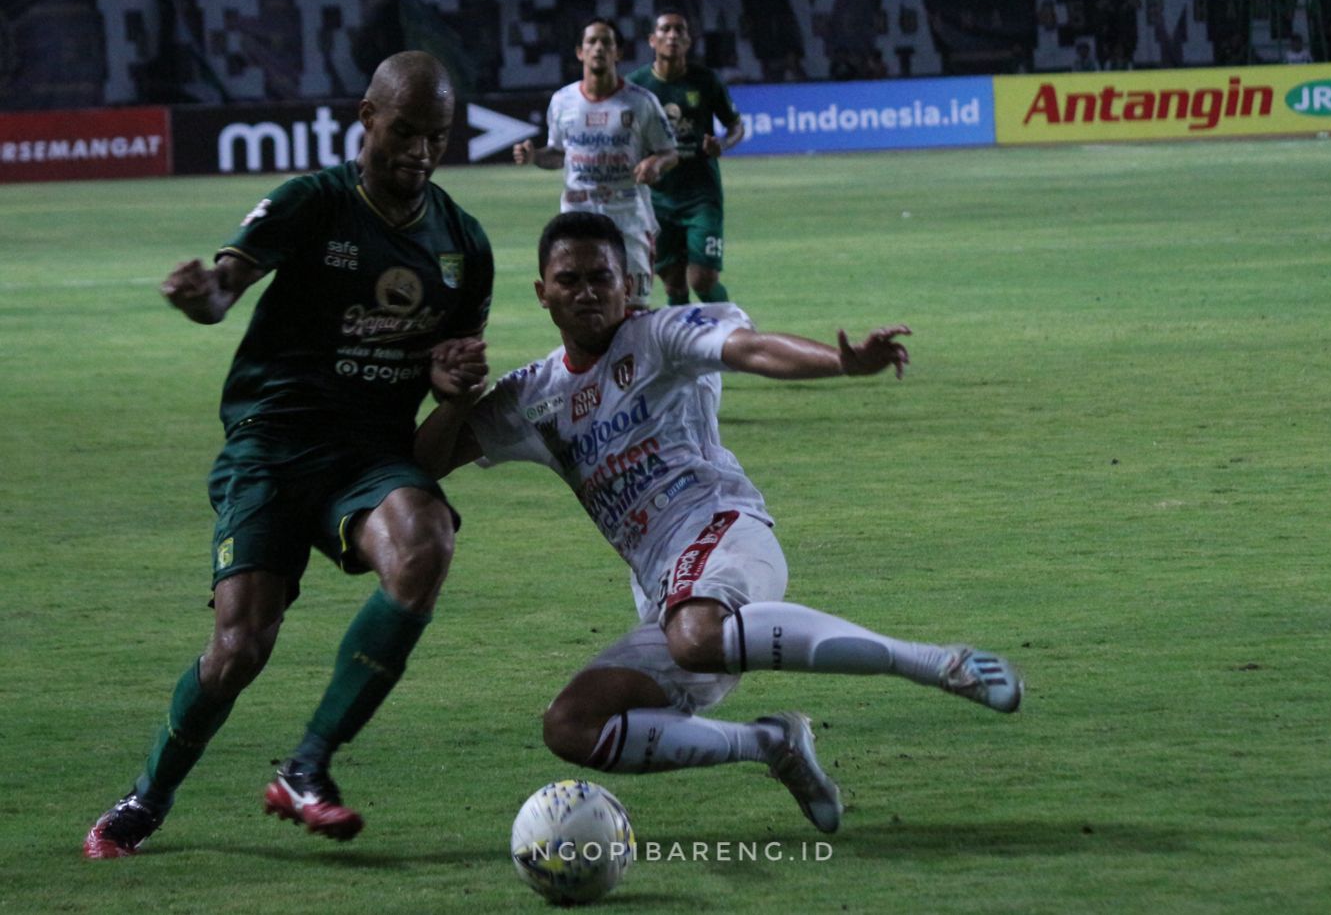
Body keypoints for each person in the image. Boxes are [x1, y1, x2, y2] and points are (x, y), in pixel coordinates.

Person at [414, 212, 1022, 834]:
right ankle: (768, 744)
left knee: (695, 635)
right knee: (572, 726)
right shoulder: (534, 395)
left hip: (725, 532)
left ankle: (937, 662)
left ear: (630, 283)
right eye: (569, 279)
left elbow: (752, 349)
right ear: (542, 292)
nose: (587, 292)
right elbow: (424, 462)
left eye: (602, 277)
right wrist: (457, 400)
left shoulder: (662, 335)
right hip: (668, 593)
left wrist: (844, 365)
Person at [83, 50, 495, 859]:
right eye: (403, 131)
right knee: (240, 650)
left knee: (425, 545)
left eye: (435, 136)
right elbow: (226, 285)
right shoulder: (313, 202)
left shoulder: (464, 246)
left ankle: (308, 764)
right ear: (366, 117)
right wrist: (205, 298)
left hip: (368, 459)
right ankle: (145, 798)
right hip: (271, 448)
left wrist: (452, 395)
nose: (417, 151)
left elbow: (434, 443)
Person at [513, 17, 678, 312]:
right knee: (577, 306)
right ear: (580, 52)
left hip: (628, 217)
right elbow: (558, 154)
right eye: (592, 42)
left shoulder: (641, 102)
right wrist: (535, 156)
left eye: (607, 42)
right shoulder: (563, 101)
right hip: (577, 218)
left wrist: (655, 162)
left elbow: (670, 152)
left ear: (618, 53)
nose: (598, 48)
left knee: (635, 309)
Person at [626, 10, 745, 307]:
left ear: (689, 41)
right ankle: (683, 351)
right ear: (652, 40)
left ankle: (733, 333)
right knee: (674, 285)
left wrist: (723, 143)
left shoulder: (705, 81)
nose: (673, 35)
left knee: (702, 279)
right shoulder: (635, 87)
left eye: (680, 30)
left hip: (700, 195)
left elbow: (736, 125)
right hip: (657, 199)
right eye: (666, 29)